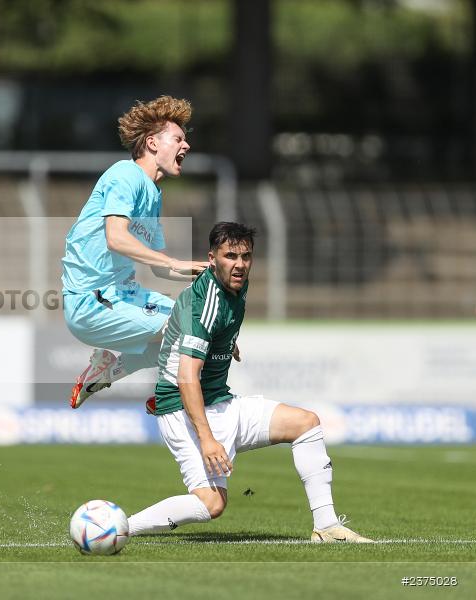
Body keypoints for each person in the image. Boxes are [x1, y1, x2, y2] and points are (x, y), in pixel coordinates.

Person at [128, 222, 372, 543]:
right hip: (184, 410)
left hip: (220, 402)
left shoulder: (235, 284)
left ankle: (326, 527)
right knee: (212, 504)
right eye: (230, 256)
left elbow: (213, 326)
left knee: (306, 424)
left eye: (246, 256)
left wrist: (226, 342)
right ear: (212, 259)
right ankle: (120, 526)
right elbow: (187, 376)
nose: (240, 264)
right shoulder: (205, 303)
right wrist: (207, 440)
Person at [61, 95, 208, 409]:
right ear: (152, 143)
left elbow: (160, 267)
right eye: (178, 139)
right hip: (91, 302)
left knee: (202, 335)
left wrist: (203, 273)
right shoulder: (125, 175)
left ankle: (105, 372)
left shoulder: (153, 193)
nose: (186, 145)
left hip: (125, 295)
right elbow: (116, 238)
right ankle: (170, 396)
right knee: (187, 331)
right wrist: (174, 262)